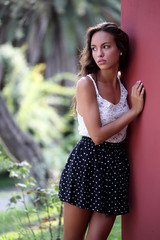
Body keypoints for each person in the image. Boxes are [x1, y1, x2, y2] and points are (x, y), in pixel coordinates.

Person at [58, 22, 145, 240]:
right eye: (94, 48)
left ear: (120, 49)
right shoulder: (86, 85)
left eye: (106, 46)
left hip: (115, 165)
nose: (99, 54)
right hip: (87, 162)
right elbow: (96, 136)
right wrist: (133, 112)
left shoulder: (124, 85)